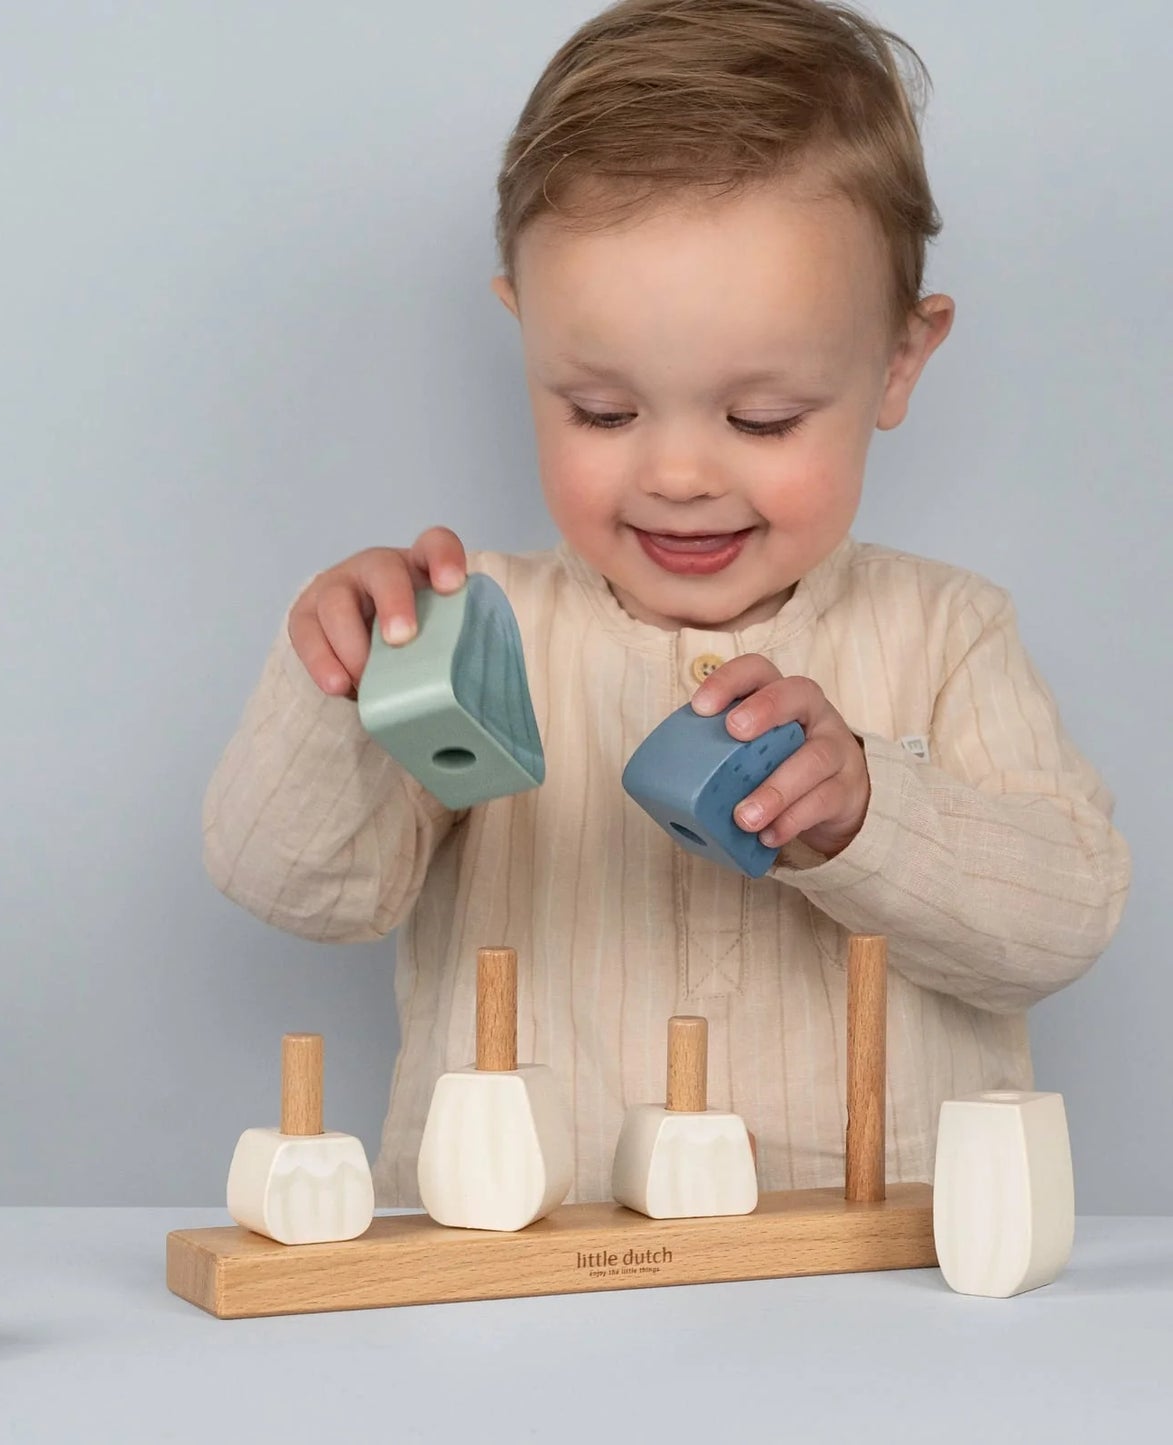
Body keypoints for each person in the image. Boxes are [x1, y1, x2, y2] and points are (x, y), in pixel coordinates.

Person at [203, 0, 1132, 1207]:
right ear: (523, 334)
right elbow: (295, 888)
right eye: (600, 411)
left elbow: (1059, 921)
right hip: (522, 1272)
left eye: (760, 419)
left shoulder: (948, 632)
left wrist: (868, 816)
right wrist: (342, 684)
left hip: (866, 1279)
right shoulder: (481, 629)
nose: (678, 474)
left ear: (898, 360)